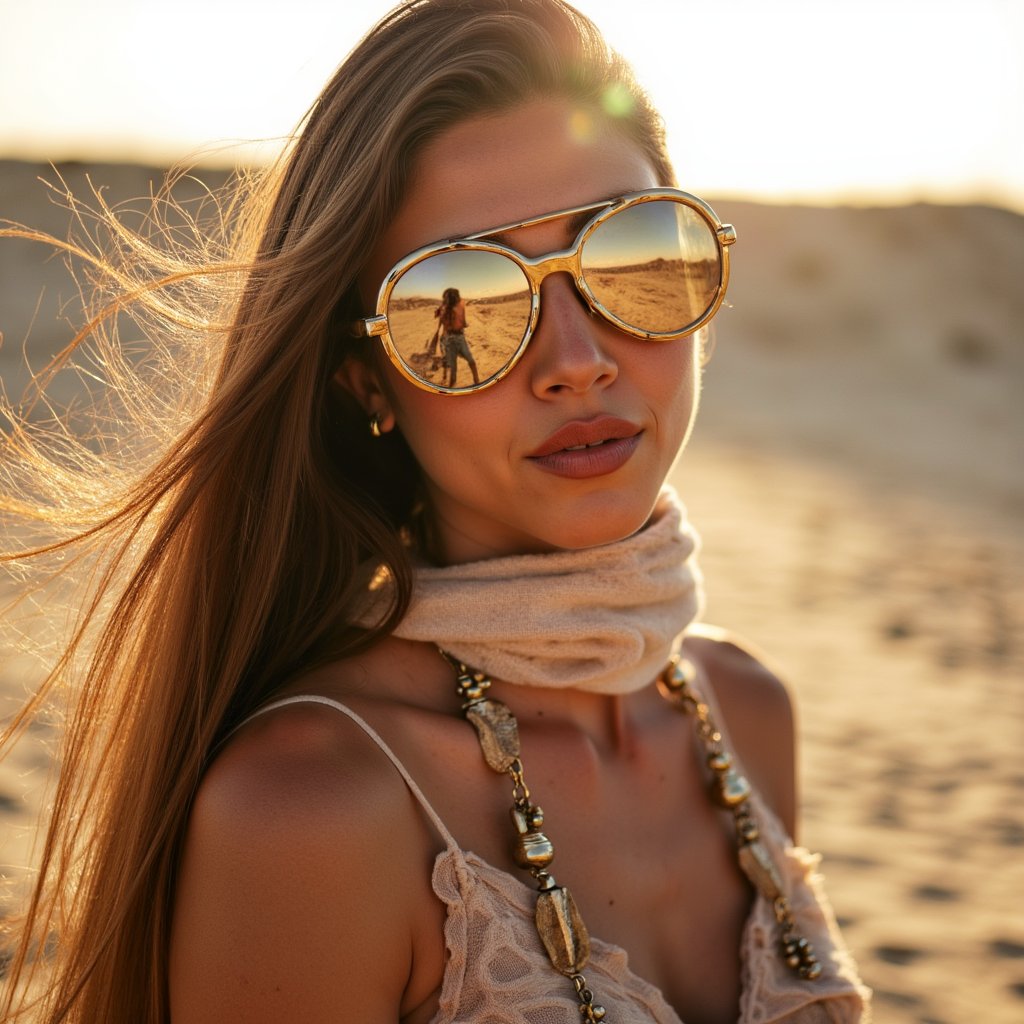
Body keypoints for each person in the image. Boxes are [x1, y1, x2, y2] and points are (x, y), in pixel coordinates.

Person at [0, 1, 871, 1021]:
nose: (577, 361)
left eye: (633, 255)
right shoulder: (313, 809)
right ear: (363, 380)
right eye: (465, 297)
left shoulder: (746, 713)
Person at [435, 286, 480, 387]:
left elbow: (462, 319)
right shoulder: (445, 309)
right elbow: (444, 323)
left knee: (468, 362)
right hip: (451, 340)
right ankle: (452, 385)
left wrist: (462, 323)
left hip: (458, 338)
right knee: (455, 368)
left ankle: (476, 381)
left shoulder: (458, 305)